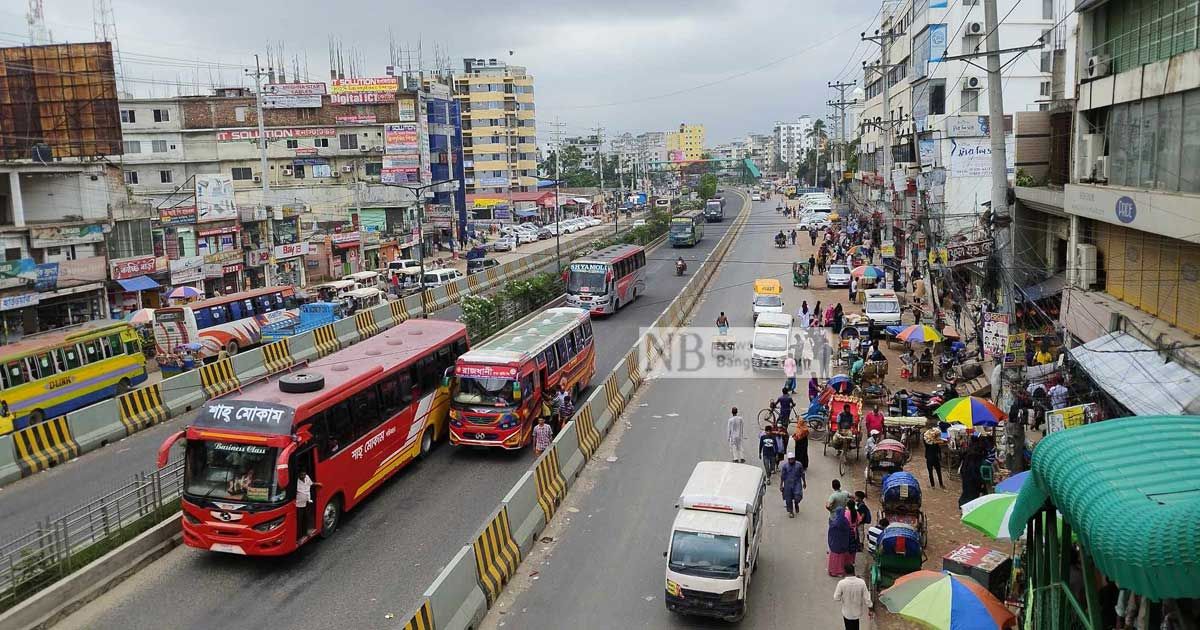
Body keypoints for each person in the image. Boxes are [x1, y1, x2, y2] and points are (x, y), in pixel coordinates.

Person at [826, 506, 855, 578]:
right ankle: (840, 571)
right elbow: (848, 531)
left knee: (834, 558)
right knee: (841, 559)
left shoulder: (835, 522)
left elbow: (831, 531)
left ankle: (833, 571)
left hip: (835, 544)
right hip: (843, 544)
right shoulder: (845, 521)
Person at [295, 471, 320, 541]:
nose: (303, 476)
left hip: (307, 501)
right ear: (298, 475)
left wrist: (317, 484)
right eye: (301, 474)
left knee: (307, 518)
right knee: (299, 521)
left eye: (304, 474)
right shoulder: (296, 482)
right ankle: (299, 538)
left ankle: (306, 532)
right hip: (299, 505)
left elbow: (311, 484)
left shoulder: (307, 477)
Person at [779, 452, 806, 517]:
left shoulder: (799, 465)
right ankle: (791, 511)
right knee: (788, 498)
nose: (791, 460)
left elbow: (802, 474)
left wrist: (804, 482)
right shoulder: (785, 466)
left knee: (798, 496)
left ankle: (796, 503)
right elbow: (782, 476)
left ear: (794, 459)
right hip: (787, 484)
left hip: (797, 483)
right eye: (789, 459)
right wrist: (781, 485)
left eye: (792, 459)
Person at [923, 421, 947, 488]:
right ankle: (940, 484)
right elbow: (941, 443)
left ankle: (933, 485)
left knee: (931, 472)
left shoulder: (926, 437)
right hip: (934, 456)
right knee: (938, 471)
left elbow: (941, 442)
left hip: (930, 456)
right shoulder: (929, 437)